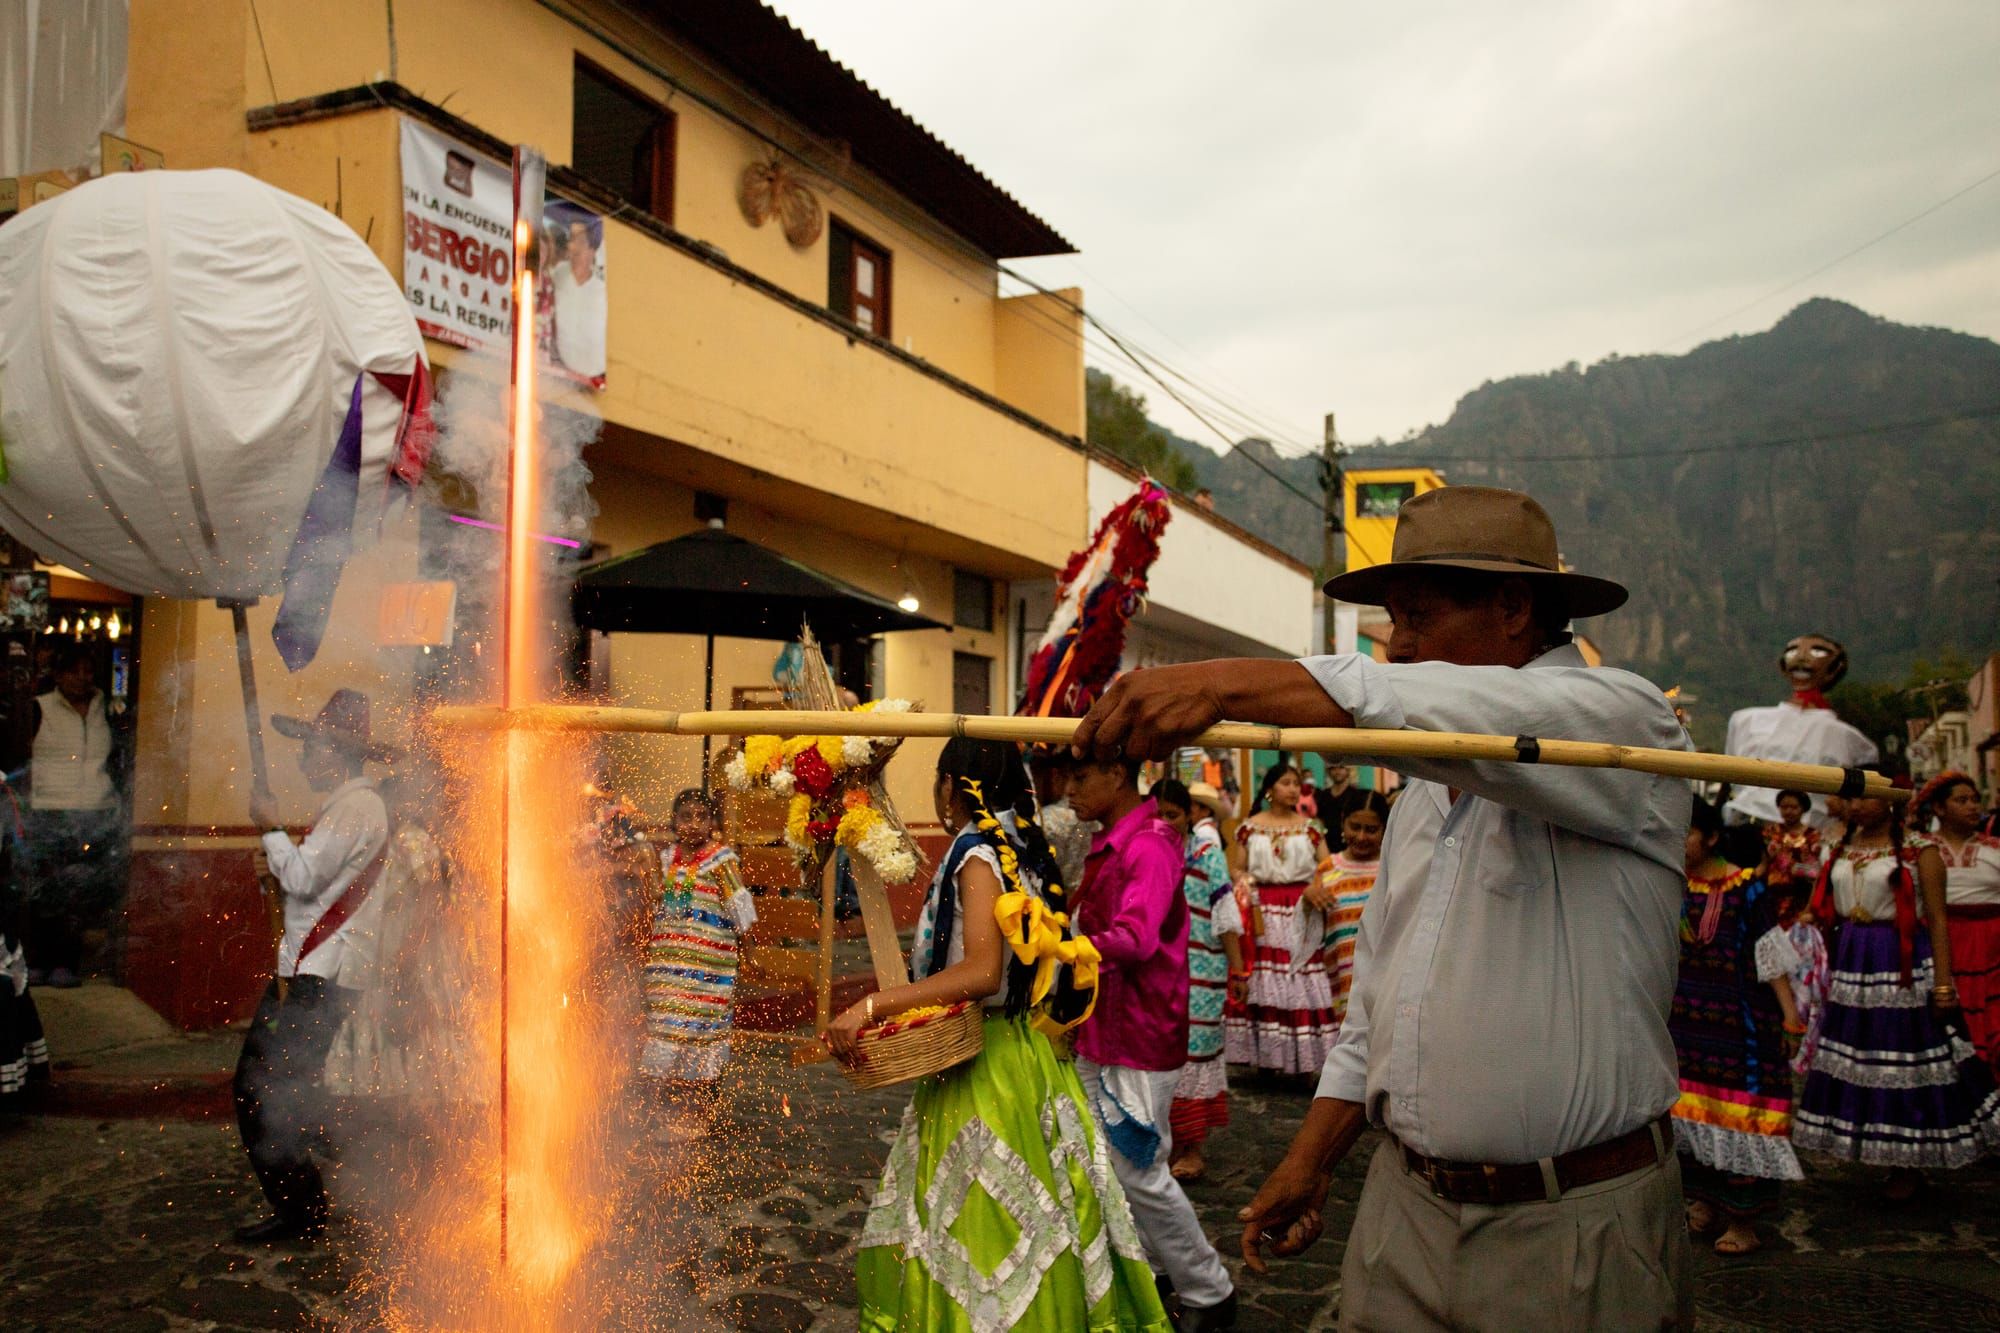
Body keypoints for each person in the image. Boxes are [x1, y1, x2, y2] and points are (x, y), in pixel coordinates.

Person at [1072, 485, 1694, 1330]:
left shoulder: (1626, 723)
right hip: (1404, 1209)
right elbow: (1378, 1014)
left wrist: (1219, 683)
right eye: (1393, 621)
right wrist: (1311, 1157)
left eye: (1417, 618)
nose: (1397, 647)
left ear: (1514, 607)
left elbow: (1462, 711)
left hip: (1573, 1222)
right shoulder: (1421, 796)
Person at [831, 738, 1166, 1332]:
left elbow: (982, 972)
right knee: (1039, 1216)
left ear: (952, 785)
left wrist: (873, 1005)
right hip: (1020, 1054)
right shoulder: (1016, 847)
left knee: (987, 1227)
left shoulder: (977, 851)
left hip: (988, 1067)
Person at [1067, 755, 1237, 1331]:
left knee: (1140, 1168)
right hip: (1105, 1028)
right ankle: (1156, 1271)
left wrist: (1066, 950)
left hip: (1139, 1031)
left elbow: (1136, 939)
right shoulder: (1116, 842)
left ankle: (1209, 1290)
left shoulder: (1150, 844)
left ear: (1116, 775)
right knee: (1108, 1163)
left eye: (1080, 776)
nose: (1071, 789)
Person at [236, 689, 394, 1244]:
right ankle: (310, 1199)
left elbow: (303, 880)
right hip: (314, 970)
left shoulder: (358, 806)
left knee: (261, 1088)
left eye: (312, 748)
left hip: (320, 974)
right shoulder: (352, 806)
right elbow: (308, 889)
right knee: (282, 1087)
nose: (304, 759)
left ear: (337, 752)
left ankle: (304, 1209)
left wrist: (271, 828)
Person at [1793, 781, 2000, 1196]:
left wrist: (1944, 985)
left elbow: (1938, 919)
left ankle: (1908, 1164)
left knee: (1903, 1056)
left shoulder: (1919, 850)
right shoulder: (1836, 846)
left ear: (1890, 802)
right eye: (1850, 798)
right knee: (1863, 1058)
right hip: (1853, 960)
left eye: (1865, 796)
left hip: (1898, 960)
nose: (1856, 806)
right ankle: (1877, 1150)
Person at [1671, 801, 1803, 1258]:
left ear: (1710, 837)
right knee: (1691, 1114)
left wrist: (1790, 1017)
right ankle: (1705, 1199)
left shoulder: (1746, 886)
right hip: (1687, 1023)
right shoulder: (1672, 883)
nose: (1678, 839)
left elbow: (1769, 955)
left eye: (1687, 831)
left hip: (1742, 1025)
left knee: (1742, 1119)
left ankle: (1743, 1219)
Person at [1152, 780, 1244, 1184]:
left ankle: (1192, 1147)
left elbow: (1224, 911)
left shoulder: (1207, 853)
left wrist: (1238, 969)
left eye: (1172, 814)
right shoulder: (1146, 852)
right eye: (1158, 814)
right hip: (1157, 970)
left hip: (1202, 970)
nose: (1165, 822)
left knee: (1197, 1052)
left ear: (1190, 815)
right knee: (1159, 1053)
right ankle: (1161, 1144)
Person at [639, 789, 756, 1105]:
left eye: (701, 817)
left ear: (712, 823)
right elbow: (657, 902)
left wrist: (749, 954)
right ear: (673, 822)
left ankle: (703, 1107)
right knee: (665, 1031)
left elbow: (740, 910)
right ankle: (664, 1107)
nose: (693, 824)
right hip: (668, 970)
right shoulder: (667, 860)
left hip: (708, 971)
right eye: (685, 817)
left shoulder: (722, 860)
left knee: (703, 1034)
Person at [23, 644, 128, 985]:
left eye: (87, 671)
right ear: (57, 675)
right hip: (48, 812)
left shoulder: (108, 710)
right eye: (73, 671)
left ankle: (66, 963)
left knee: (77, 892)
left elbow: (118, 760)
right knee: (44, 891)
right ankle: (37, 960)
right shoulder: (38, 709)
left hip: (95, 812)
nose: (82, 678)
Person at [1226, 762, 1336, 1076]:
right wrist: (1243, 881)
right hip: (1263, 909)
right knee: (1264, 975)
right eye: (1286, 783)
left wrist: (1317, 887)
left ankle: (1303, 1062)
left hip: (1302, 907)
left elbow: (1327, 867)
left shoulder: (1311, 827)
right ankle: (1268, 1060)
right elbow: (1238, 867)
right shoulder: (1249, 827)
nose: (1293, 789)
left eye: (1296, 783)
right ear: (1271, 789)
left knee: (1301, 972)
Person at [1723, 634, 1877, 832]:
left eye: (1817, 651)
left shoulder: (1851, 740)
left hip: (1811, 838)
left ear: (1835, 667)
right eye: (1794, 650)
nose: (1802, 657)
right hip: (1745, 829)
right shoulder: (1745, 720)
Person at [1913, 771, 2000, 1074]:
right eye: (1961, 800)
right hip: (1943, 944)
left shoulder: (1994, 849)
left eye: (1976, 800)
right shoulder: (1921, 850)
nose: (1972, 807)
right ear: (1939, 808)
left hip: (1992, 947)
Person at [1298, 791, 1390, 1028]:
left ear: (1385, 829)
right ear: (1342, 823)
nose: (1361, 836)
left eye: (1371, 830)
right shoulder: (1328, 870)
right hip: (1339, 984)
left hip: (1385, 984)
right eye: (1355, 827)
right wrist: (1307, 902)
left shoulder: (1393, 869)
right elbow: (1308, 939)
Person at [1760, 788, 1831, 1075]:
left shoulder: (1814, 836)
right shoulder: (1769, 833)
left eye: (1793, 806)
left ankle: (1803, 1021)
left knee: (1802, 971)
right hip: (1773, 904)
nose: (1788, 811)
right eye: (1784, 806)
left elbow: (1817, 873)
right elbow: (1764, 866)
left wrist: (1811, 907)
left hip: (1801, 909)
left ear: (1802, 809)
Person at [547, 210, 607, 380]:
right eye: (571, 239)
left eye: (580, 241)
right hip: (555, 371)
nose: (573, 246)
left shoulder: (600, 291)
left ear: (593, 249)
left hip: (590, 375)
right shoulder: (556, 275)